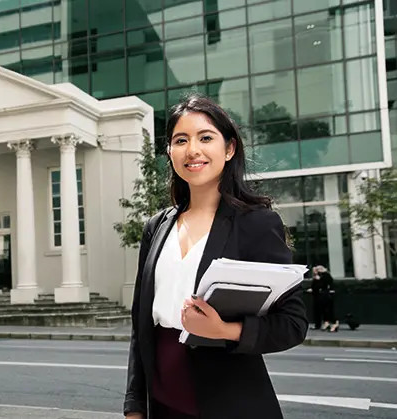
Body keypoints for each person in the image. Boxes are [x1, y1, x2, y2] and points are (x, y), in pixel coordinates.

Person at [123, 94, 308, 419]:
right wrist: (134, 407)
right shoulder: (157, 226)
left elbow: (292, 324)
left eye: (205, 137)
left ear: (229, 148)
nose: (192, 150)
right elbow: (141, 326)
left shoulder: (256, 224)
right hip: (163, 403)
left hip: (228, 403)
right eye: (181, 140)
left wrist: (224, 330)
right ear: (170, 152)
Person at [315, 265, 338, 332]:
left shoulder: (325, 276)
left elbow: (325, 284)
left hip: (326, 295)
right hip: (325, 295)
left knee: (328, 309)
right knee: (325, 310)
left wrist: (319, 280)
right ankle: (327, 322)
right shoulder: (324, 276)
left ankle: (334, 323)